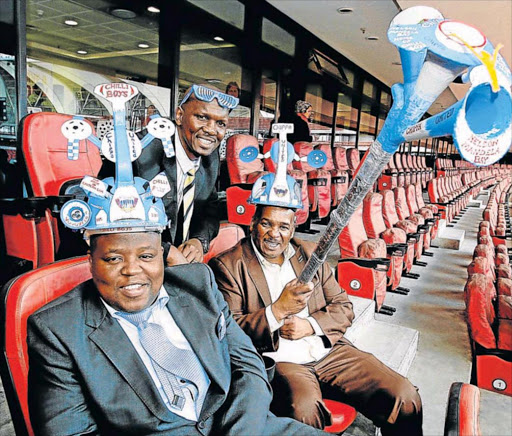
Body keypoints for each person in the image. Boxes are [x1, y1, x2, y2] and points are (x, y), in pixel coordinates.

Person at [27, 99, 326, 436]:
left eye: (146, 256)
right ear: (90, 258)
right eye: (113, 259)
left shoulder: (198, 284)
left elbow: (248, 365)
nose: (132, 271)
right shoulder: (56, 329)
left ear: (161, 253)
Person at [208, 134, 422, 434]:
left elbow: (343, 307)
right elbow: (228, 332)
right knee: (304, 410)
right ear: (253, 223)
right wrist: (275, 313)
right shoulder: (228, 265)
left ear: (293, 226)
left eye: (283, 226)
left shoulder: (311, 254)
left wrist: (310, 326)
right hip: (280, 360)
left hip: (328, 351)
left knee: (404, 395)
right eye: (267, 223)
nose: (274, 234)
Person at [135, 84, 238, 264]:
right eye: (202, 117)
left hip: (181, 264)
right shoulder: (140, 150)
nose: (211, 130)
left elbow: (210, 208)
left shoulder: (210, 156)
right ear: (179, 116)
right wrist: (165, 250)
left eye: (220, 123)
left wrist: (199, 241)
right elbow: (115, 215)